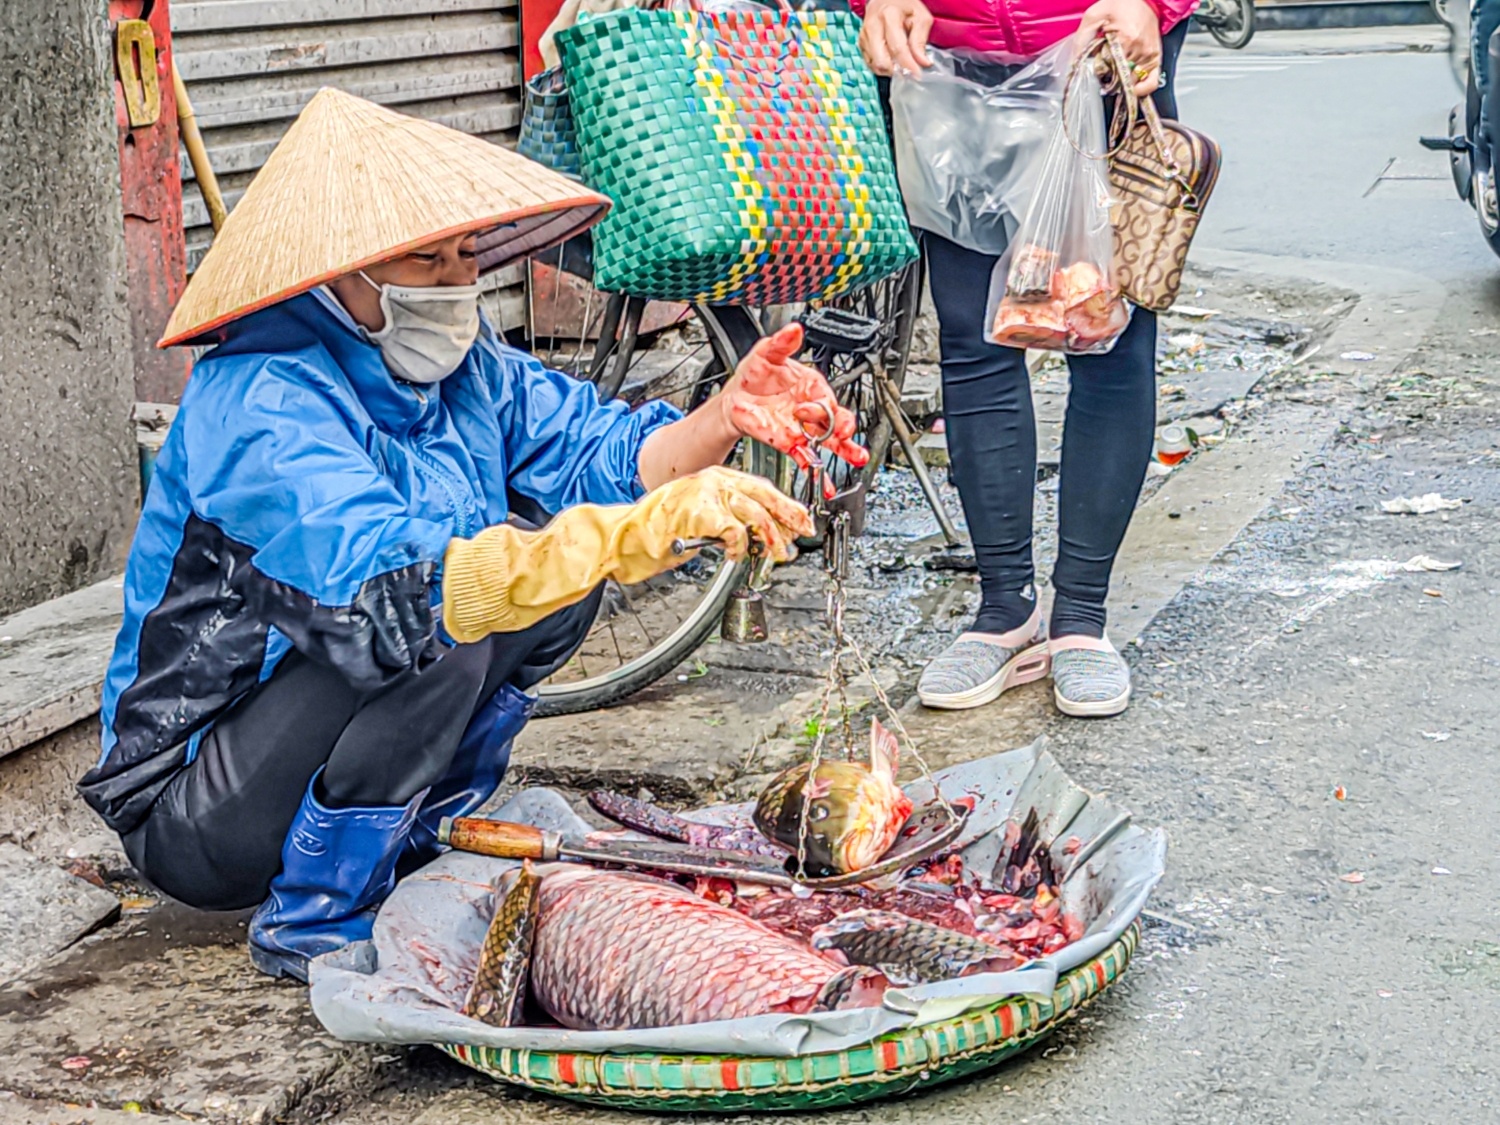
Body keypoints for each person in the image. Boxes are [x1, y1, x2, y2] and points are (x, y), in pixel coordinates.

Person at [77, 89, 865, 982]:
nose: (458, 284)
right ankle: (313, 915)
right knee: (443, 629)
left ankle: (414, 840)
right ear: (344, 271)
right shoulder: (258, 397)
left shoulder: (468, 366)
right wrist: (631, 533)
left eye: (464, 256)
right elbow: (392, 589)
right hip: (196, 807)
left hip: (332, 716)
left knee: (552, 582)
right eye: (426, 260)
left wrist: (725, 415)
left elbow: (598, 449)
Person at [855, 0, 1194, 717]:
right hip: (944, 54)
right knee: (972, 337)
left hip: (1099, 44)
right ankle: (1005, 609)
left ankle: (1081, 618)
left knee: (1107, 327)